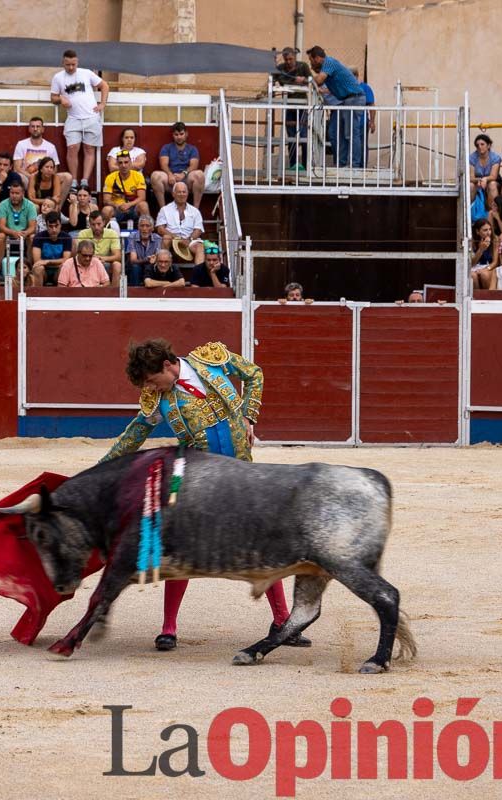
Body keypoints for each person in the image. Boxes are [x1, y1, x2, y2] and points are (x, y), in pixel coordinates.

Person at [100, 338, 302, 652]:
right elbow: (135, 433)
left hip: (241, 472)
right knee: (182, 546)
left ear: (167, 365)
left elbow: (254, 374)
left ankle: (283, 622)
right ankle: (168, 628)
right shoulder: (157, 398)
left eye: (154, 380)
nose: (153, 388)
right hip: (199, 477)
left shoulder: (210, 360)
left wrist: (249, 416)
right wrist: (100, 468)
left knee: (263, 542)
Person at [50, 49, 108, 191]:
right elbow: (53, 97)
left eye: (73, 64)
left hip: (91, 117)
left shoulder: (86, 73)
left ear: (77, 62)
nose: (70, 67)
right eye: (68, 64)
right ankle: (74, 180)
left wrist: (102, 103)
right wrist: (61, 99)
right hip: (73, 118)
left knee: (89, 148)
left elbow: (104, 85)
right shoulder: (58, 77)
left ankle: (84, 181)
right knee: (72, 148)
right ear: (63, 63)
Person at [306, 45, 365, 169]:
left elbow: (319, 80)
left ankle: (354, 165)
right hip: (347, 99)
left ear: (317, 58)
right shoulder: (329, 65)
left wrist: (307, 80)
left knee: (350, 133)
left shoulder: (329, 62)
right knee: (340, 133)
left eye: (311, 60)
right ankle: (342, 163)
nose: (311, 63)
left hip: (354, 98)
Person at [273, 47, 312, 170]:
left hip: (302, 105)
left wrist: (303, 80)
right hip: (289, 106)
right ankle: (293, 165)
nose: (289, 61)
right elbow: (273, 80)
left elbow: (311, 81)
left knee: (304, 136)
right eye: (286, 59)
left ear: (295, 57)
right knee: (291, 136)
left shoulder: (303, 66)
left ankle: (306, 166)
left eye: (291, 59)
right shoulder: (280, 69)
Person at [151, 122, 205, 208]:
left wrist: (183, 174)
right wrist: (170, 174)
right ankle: (163, 211)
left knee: (199, 175)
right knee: (155, 176)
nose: (179, 137)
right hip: (171, 179)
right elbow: (163, 164)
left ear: (186, 134)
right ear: (173, 135)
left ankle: (196, 211)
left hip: (186, 179)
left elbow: (194, 165)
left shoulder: (192, 149)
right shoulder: (166, 148)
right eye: (176, 134)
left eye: (181, 134)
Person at [155, 181, 205, 267]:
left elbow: (198, 229)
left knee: (200, 247)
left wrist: (189, 239)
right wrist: (177, 238)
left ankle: (199, 275)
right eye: (179, 192)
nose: (181, 194)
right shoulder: (165, 209)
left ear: (187, 194)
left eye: (184, 192)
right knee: (166, 238)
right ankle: (165, 269)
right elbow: (160, 229)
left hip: (189, 240)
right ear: (173, 194)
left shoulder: (195, 211)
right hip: (172, 239)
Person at [0, 183, 38, 270]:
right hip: (8, 233)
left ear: (23, 194)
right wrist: (13, 232)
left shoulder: (30, 205)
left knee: (32, 237)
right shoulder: (3, 204)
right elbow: (1, 226)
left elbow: (32, 227)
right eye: (12, 193)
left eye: (17, 193)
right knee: (0, 236)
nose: (14, 196)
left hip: (24, 234)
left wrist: (25, 233)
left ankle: (29, 268)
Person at [75, 210, 121, 286]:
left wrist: (102, 259)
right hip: (88, 262)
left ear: (104, 222)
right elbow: (79, 255)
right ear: (89, 224)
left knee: (117, 265)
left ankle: (114, 294)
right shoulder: (83, 234)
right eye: (93, 224)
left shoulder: (112, 233)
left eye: (99, 224)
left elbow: (118, 256)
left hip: (106, 263)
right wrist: (94, 260)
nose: (96, 227)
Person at [102, 151, 148, 228]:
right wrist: (117, 205)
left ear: (130, 163)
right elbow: (106, 200)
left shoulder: (138, 176)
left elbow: (142, 197)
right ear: (117, 164)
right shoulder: (110, 177)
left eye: (126, 162)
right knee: (106, 210)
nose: (123, 165)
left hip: (133, 207)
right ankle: (104, 236)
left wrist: (128, 205)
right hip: (117, 208)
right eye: (120, 163)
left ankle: (146, 234)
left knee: (143, 205)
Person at [31, 211, 72, 287]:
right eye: (50, 226)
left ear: (61, 225)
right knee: (38, 268)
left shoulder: (66, 237)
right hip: (44, 271)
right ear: (46, 226)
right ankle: (38, 295)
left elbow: (66, 260)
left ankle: (61, 296)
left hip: (58, 270)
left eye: (56, 226)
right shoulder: (39, 237)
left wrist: (47, 261)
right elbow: (37, 261)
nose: (54, 229)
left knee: (64, 267)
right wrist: (48, 263)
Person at [469, 134, 501, 222]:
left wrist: (485, 179)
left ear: (489, 145)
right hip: (477, 183)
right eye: (477, 145)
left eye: (482, 144)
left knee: (492, 185)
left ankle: (493, 215)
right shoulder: (472, 158)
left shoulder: (495, 157)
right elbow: (471, 177)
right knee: (470, 186)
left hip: (492, 181)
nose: (479, 147)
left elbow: (494, 176)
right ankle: (469, 213)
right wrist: (479, 180)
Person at [127, 214, 161, 286]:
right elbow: (133, 260)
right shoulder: (132, 237)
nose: (144, 229)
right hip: (136, 266)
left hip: (150, 266)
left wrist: (154, 259)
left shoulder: (157, 238)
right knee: (135, 267)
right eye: (142, 226)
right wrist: (147, 260)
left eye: (147, 226)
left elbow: (157, 256)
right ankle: (134, 293)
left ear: (152, 228)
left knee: (154, 267)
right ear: (138, 227)